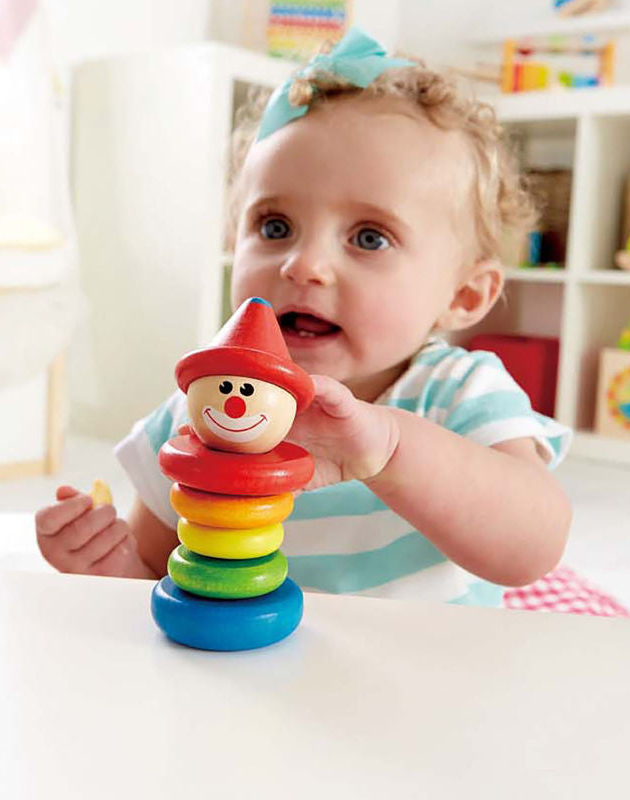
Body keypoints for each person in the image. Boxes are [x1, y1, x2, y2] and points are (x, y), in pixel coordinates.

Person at [37, 28, 586, 610]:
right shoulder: (208, 411)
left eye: (369, 237)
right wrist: (108, 565)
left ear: (466, 296)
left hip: (430, 684)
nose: (305, 265)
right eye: (275, 227)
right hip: (259, 681)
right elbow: (158, 576)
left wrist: (392, 451)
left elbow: (532, 552)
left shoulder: (459, 393)